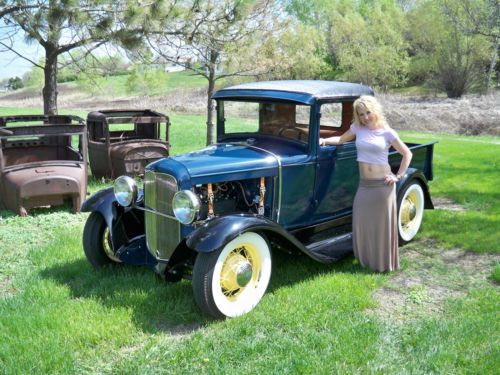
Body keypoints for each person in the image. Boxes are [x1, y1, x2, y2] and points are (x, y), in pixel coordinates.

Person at [319, 95, 412, 272]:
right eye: (361, 114)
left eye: (368, 112)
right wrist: (324, 140)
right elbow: (340, 139)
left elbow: (407, 154)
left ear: (375, 111)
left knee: (381, 225)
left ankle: (381, 263)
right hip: (364, 185)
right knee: (362, 221)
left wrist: (398, 176)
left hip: (382, 186)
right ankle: (365, 260)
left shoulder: (387, 131)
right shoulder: (357, 129)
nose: (365, 117)